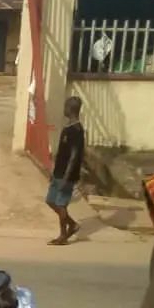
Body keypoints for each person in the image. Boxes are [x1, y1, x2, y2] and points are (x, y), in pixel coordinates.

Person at [46, 95, 85, 245]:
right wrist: (54, 171)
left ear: (70, 109)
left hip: (66, 175)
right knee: (50, 200)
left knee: (61, 204)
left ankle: (63, 235)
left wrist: (66, 177)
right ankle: (72, 224)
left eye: (65, 107)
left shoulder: (76, 131)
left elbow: (74, 156)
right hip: (59, 172)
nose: (64, 109)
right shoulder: (68, 128)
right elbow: (63, 153)